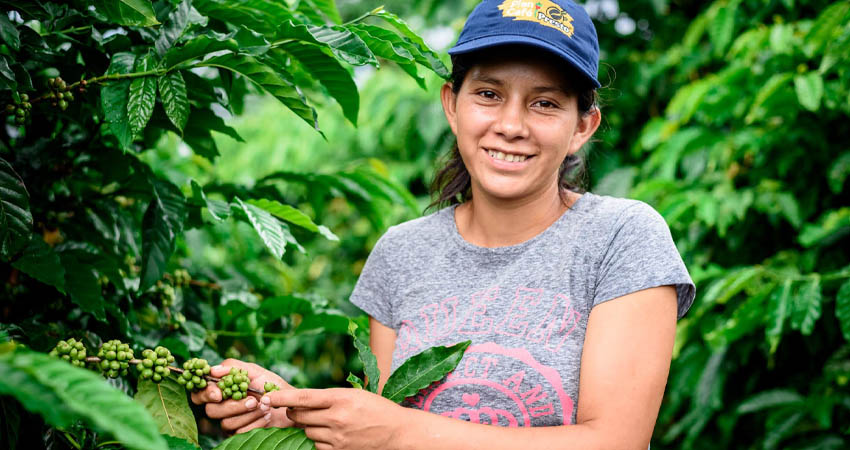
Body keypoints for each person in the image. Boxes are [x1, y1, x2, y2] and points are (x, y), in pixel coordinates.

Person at [192, 1, 695, 448]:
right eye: (489, 94)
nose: (511, 125)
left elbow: (616, 441)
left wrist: (397, 432)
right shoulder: (402, 253)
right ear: (452, 104)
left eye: (545, 103)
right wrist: (283, 412)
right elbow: (373, 432)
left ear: (583, 126)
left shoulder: (621, 238)